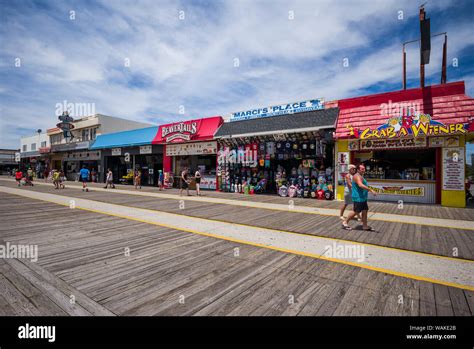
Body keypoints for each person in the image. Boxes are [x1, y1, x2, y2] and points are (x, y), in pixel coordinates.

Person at [342, 164, 377, 231]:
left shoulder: (360, 176)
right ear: (358, 170)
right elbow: (360, 185)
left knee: (365, 210)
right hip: (358, 197)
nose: (364, 170)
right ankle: (345, 222)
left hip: (362, 197)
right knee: (355, 211)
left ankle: (365, 225)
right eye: (362, 169)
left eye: (364, 168)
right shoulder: (357, 176)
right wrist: (370, 190)